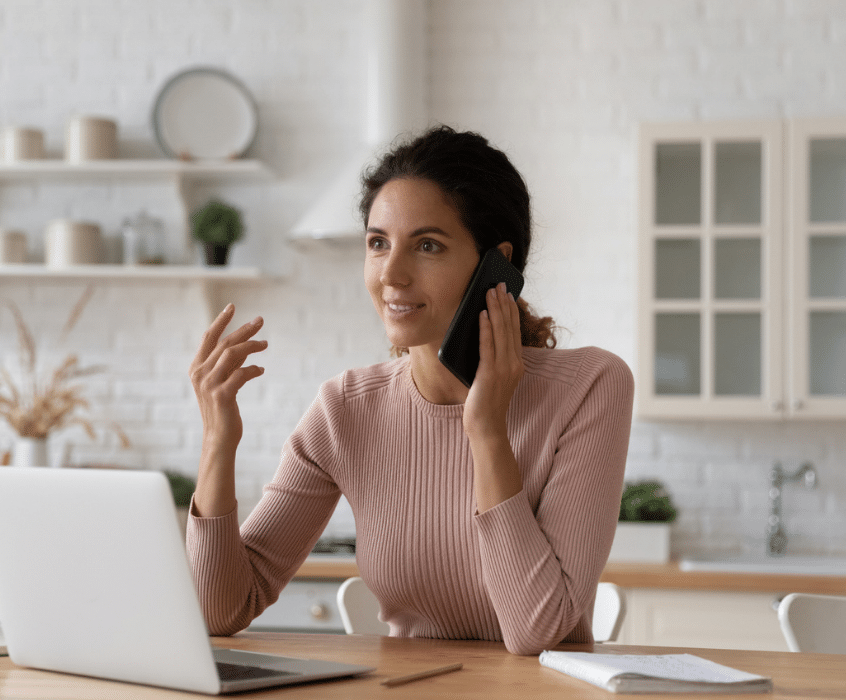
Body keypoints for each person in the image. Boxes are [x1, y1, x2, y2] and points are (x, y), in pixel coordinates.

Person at [186, 125, 634, 655]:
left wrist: (487, 429)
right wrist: (218, 441)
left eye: (427, 245)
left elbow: (539, 632)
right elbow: (219, 612)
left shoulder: (589, 388)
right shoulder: (345, 409)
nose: (391, 274)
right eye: (378, 243)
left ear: (498, 264)